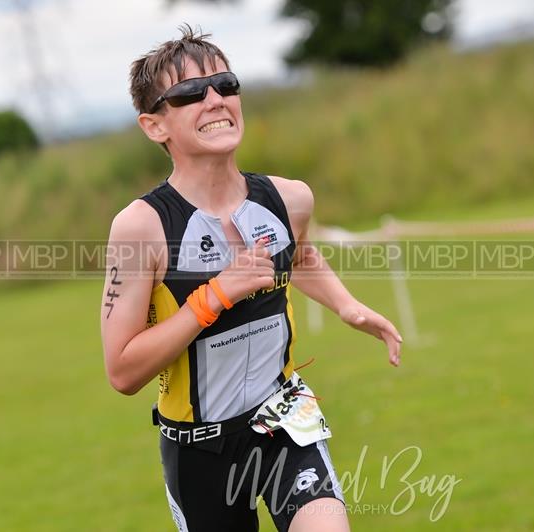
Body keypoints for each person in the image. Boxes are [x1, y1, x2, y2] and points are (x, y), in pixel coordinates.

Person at [100, 25, 402, 532]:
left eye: (226, 84)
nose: (216, 99)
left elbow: (298, 256)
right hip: (199, 449)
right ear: (155, 126)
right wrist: (214, 296)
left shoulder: (288, 199)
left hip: (284, 419)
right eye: (191, 93)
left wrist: (348, 307)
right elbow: (123, 371)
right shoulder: (141, 227)